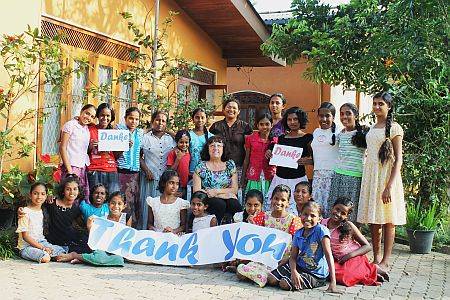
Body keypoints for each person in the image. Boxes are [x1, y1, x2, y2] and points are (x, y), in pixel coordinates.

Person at [357, 92, 406, 272]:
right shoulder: (371, 128)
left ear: (389, 106)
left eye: (381, 104)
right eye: (375, 103)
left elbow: (399, 159)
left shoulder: (395, 128)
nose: (377, 107)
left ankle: (386, 260)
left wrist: (389, 186)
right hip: (372, 176)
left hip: (387, 178)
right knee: (373, 219)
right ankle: (376, 257)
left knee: (388, 219)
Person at [236, 185, 302, 287]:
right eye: (276, 198)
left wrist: (288, 259)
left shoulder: (293, 219)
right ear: (271, 199)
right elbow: (256, 236)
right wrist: (251, 223)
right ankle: (260, 276)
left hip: (281, 260)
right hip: (263, 257)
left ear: (288, 203)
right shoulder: (264, 216)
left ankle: (263, 277)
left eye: (283, 200)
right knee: (240, 272)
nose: (279, 202)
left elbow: (296, 243)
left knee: (273, 279)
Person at [267, 201, 339, 293]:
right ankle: (290, 278)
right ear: (300, 214)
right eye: (305, 214)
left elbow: (329, 256)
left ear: (319, 218)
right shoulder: (298, 233)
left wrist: (333, 282)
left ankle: (316, 282)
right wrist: (293, 271)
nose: (308, 218)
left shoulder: (321, 231)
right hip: (299, 266)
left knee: (284, 284)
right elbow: (293, 257)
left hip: (315, 274)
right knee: (271, 279)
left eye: (312, 216)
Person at [322, 197, 389, 286]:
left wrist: (349, 256)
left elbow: (367, 246)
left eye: (343, 213)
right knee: (326, 271)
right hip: (336, 260)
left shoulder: (349, 226)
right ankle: (366, 271)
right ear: (332, 207)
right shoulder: (322, 223)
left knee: (346, 276)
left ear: (346, 216)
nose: (338, 214)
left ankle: (371, 269)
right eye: (337, 209)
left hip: (353, 258)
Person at [56, 191, 132, 266]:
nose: (116, 206)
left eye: (119, 204)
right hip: (103, 249)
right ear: (108, 204)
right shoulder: (102, 219)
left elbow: (127, 238)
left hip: (118, 250)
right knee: (101, 257)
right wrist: (89, 226)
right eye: (113, 203)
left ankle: (85, 259)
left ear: (124, 206)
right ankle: (75, 255)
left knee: (119, 260)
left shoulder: (126, 217)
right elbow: (95, 239)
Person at [265, 107, 313, 214]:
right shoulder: (281, 138)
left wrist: (309, 161)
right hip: (280, 179)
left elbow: (315, 158)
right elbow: (273, 152)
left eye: (295, 119)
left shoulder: (308, 138)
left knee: (298, 209)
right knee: (277, 208)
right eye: (289, 119)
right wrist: (269, 152)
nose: (292, 122)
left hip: (298, 180)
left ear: (301, 120)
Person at [326, 103, 367, 220]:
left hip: (355, 177)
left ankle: (349, 236)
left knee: (350, 211)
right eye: (342, 114)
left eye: (348, 113)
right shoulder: (340, 135)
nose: (344, 117)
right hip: (338, 176)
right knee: (335, 209)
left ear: (356, 115)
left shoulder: (363, 135)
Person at [193, 136, 242, 224]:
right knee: (219, 204)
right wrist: (222, 195)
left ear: (223, 149)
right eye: (212, 146)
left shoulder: (230, 164)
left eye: (219, 145)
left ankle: (237, 230)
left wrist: (216, 192)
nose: (215, 148)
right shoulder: (201, 166)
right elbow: (197, 191)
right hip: (208, 199)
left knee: (234, 204)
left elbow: (234, 189)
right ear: (207, 149)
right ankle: (217, 231)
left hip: (225, 197)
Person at [139, 111, 175, 229]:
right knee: (147, 208)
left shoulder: (171, 139)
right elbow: (138, 155)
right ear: (152, 121)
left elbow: (181, 145)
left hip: (165, 180)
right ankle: (145, 232)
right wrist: (146, 170)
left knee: (162, 209)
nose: (160, 123)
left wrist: (170, 132)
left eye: (163, 121)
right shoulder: (145, 137)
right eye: (158, 120)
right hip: (149, 177)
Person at [16, 183, 67, 263]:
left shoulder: (43, 210)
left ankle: (50, 254)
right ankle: (47, 254)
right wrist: (42, 248)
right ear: (30, 195)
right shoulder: (25, 212)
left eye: (43, 194)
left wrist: (43, 246)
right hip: (26, 247)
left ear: (46, 196)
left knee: (62, 252)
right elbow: (25, 237)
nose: (39, 197)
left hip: (41, 242)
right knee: (45, 258)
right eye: (35, 193)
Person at [59, 104, 96, 201]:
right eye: (87, 113)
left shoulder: (86, 129)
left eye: (92, 116)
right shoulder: (70, 125)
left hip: (82, 167)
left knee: (81, 197)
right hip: (71, 166)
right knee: (70, 197)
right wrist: (70, 172)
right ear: (81, 111)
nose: (88, 117)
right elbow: (62, 148)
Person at [209, 98, 252, 182]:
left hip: (239, 167)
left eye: (234, 108)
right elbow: (209, 146)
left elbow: (249, 148)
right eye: (228, 107)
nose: (231, 110)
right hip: (219, 166)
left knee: (237, 192)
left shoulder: (245, 127)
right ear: (223, 110)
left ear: (239, 111)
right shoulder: (215, 126)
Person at [45, 176, 90, 254]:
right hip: (52, 242)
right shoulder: (52, 203)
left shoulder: (76, 209)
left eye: (75, 189)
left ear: (79, 191)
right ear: (63, 191)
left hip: (68, 243)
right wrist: (47, 197)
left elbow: (82, 225)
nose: (72, 192)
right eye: (68, 189)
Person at [116, 107, 143, 228]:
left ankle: (131, 229)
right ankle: (120, 227)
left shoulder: (140, 133)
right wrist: (123, 145)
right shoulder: (119, 130)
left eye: (136, 119)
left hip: (135, 173)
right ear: (125, 118)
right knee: (121, 201)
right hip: (122, 172)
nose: (133, 121)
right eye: (131, 118)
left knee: (133, 202)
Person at [311, 102, 340, 210]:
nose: (324, 119)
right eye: (321, 116)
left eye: (327, 116)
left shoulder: (338, 132)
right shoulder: (316, 132)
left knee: (330, 207)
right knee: (317, 207)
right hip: (317, 175)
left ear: (333, 117)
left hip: (332, 175)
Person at [87, 102, 120, 194]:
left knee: (112, 198)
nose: (105, 118)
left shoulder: (115, 133)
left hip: (111, 169)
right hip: (94, 169)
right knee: (95, 200)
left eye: (108, 116)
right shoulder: (90, 130)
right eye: (102, 115)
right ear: (97, 116)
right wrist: (90, 147)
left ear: (111, 117)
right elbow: (82, 151)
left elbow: (116, 156)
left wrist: (123, 147)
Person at [241, 113, 275, 199]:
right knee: (254, 200)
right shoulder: (250, 138)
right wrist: (243, 177)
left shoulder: (276, 141)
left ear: (272, 125)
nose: (264, 127)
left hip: (270, 176)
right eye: (261, 124)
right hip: (254, 176)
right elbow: (247, 159)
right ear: (257, 125)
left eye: (267, 124)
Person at [146, 170, 190, 234]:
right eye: (171, 183)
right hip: (157, 237)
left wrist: (173, 231)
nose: (174, 186)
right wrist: (155, 231)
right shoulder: (153, 202)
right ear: (163, 183)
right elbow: (150, 223)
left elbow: (183, 225)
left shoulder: (181, 203)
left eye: (177, 184)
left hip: (174, 237)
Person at [189, 108, 214, 176]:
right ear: (193, 119)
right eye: (197, 117)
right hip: (190, 172)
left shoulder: (211, 137)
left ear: (206, 119)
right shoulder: (188, 135)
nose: (200, 120)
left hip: (207, 172)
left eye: (202, 117)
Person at [167, 130, 191, 199]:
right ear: (177, 142)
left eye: (186, 142)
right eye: (181, 142)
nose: (184, 145)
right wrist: (178, 159)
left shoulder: (188, 153)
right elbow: (170, 171)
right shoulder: (173, 153)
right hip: (176, 185)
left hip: (186, 185)